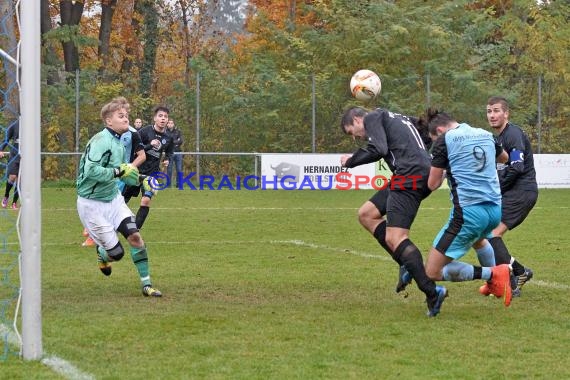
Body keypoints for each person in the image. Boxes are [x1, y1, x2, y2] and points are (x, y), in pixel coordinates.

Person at [340, 106, 447, 317]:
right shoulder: (397, 117)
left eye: (353, 132)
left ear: (357, 119)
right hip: (415, 173)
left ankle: (432, 292)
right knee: (366, 214)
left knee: (395, 237)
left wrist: (350, 161)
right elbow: (424, 136)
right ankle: (405, 263)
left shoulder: (372, 117)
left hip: (409, 176)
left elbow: (378, 148)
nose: (357, 138)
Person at [422, 109, 513, 309]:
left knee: (431, 271)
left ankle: (494, 274)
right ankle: (493, 285)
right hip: (494, 210)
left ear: (439, 130)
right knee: (479, 241)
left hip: (469, 212)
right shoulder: (485, 134)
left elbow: (432, 184)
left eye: (433, 138)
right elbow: (504, 158)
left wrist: (446, 167)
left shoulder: (445, 140)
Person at [76, 96, 162, 297]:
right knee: (117, 254)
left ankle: (146, 285)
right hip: (91, 204)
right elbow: (90, 171)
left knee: (135, 237)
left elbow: (124, 173)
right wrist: (118, 172)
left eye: (127, 116)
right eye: (120, 116)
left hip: (113, 199)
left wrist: (143, 180)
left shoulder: (119, 142)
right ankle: (103, 253)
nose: (126, 119)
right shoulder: (100, 141)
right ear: (108, 121)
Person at [484, 96, 537, 297]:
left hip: (521, 192)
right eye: (489, 111)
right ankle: (520, 271)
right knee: (488, 234)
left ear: (506, 113)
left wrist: (497, 189)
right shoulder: (497, 138)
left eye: (496, 111)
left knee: (491, 234)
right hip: (513, 192)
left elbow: (516, 167)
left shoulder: (512, 134)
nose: (492, 115)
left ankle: (511, 283)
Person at [81, 122, 147, 247]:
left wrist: (129, 169)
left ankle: (95, 235)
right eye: (120, 115)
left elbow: (142, 155)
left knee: (113, 207)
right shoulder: (105, 134)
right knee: (102, 205)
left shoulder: (133, 133)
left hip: (121, 177)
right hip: (107, 174)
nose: (124, 118)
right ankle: (93, 232)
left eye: (125, 114)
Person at [123, 105, 173, 229]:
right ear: (155, 118)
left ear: (168, 120)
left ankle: (135, 230)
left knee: (146, 200)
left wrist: (167, 159)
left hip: (152, 174)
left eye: (165, 117)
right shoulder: (144, 132)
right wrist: (150, 145)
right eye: (160, 116)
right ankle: (110, 223)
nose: (163, 119)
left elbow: (169, 152)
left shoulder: (168, 138)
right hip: (136, 171)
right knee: (122, 201)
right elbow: (135, 150)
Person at [1, 120, 20, 210]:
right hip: (14, 155)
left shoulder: (31, 126)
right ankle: (6, 196)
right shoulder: (15, 125)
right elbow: (6, 139)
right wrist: (1, 149)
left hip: (27, 156)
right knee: (12, 176)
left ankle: (14, 203)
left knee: (20, 180)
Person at [165, 118, 184, 188]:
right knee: (169, 169)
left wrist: (172, 142)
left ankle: (178, 185)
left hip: (178, 153)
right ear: (167, 124)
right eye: (169, 123)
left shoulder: (178, 132)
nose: (170, 124)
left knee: (179, 169)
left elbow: (181, 141)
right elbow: (166, 142)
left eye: (171, 123)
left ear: (174, 124)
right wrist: (175, 141)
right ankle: (168, 185)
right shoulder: (165, 132)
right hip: (169, 153)